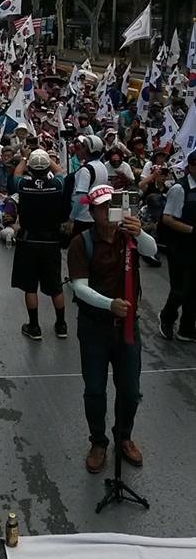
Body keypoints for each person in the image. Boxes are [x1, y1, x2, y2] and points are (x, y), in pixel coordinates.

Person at [68, 184, 158, 473]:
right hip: (95, 326)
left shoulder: (128, 236)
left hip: (128, 327)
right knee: (94, 389)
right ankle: (98, 441)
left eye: (113, 206)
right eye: (103, 208)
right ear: (92, 212)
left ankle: (124, 436)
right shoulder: (81, 243)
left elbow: (152, 251)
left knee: (130, 389)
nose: (109, 213)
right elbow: (79, 287)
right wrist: (109, 304)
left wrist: (140, 232)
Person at [11, 149, 67, 340]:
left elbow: (17, 173)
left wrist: (26, 157)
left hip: (29, 241)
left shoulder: (24, 187)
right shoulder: (56, 186)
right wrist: (46, 156)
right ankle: (61, 325)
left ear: (31, 168)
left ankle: (34, 326)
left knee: (30, 286)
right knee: (56, 286)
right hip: (51, 241)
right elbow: (60, 171)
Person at [158, 150, 196, 342]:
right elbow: (167, 218)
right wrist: (191, 230)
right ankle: (167, 317)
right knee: (180, 289)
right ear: (190, 167)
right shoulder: (180, 189)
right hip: (180, 246)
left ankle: (187, 328)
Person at [69, 135, 108, 234]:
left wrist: (71, 218)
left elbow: (81, 197)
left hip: (82, 218)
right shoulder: (102, 167)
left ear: (87, 149)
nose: (79, 150)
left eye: (82, 147)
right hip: (95, 216)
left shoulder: (85, 170)